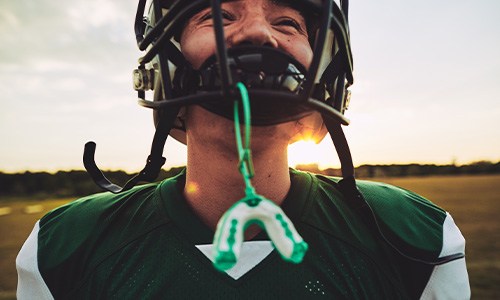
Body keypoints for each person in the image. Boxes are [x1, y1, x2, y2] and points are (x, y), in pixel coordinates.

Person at [16, 0, 470, 299]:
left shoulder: (412, 236)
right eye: (220, 16)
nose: (259, 35)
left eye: (287, 22)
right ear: (163, 65)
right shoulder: (68, 246)